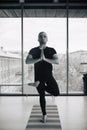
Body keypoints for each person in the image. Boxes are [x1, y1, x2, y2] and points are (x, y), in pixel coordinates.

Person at [25, 32, 60, 123]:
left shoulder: (51, 50)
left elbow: (57, 61)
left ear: (47, 39)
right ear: (38, 39)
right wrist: (39, 59)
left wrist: (45, 59)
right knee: (42, 96)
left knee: (56, 92)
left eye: (44, 36)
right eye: (40, 36)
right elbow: (27, 61)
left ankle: (38, 85)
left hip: (48, 76)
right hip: (38, 77)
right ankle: (44, 115)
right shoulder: (34, 50)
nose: (43, 38)